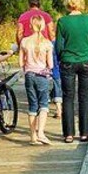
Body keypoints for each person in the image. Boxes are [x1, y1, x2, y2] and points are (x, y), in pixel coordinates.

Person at [56, 0, 88, 143]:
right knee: (84, 97)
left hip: (68, 61)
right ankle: (85, 133)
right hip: (87, 61)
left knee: (68, 97)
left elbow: (58, 45)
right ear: (81, 3)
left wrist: (60, 59)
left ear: (68, 3)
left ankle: (68, 134)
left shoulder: (62, 21)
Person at [19, 15, 54, 145]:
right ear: (43, 26)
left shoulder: (24, 42)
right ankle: (41, 133)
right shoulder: (47, 43)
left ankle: (33, 136)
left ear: (30, 26)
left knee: (32, 105)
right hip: (41, 76)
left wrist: (27, 68)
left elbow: (20, 61)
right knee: (43, 104)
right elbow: (50, 64)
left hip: (29, 75)